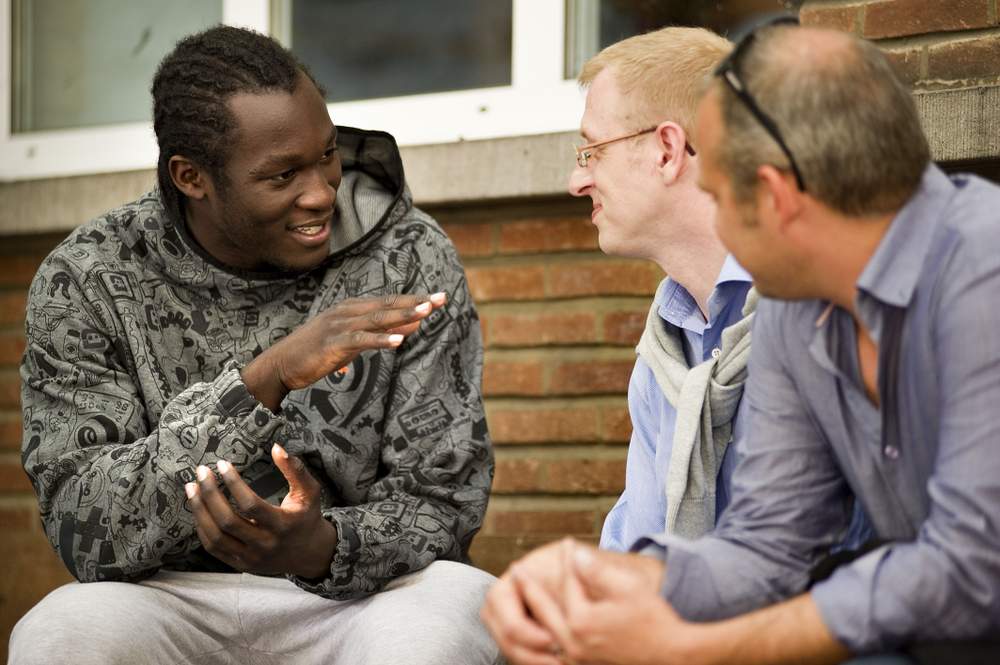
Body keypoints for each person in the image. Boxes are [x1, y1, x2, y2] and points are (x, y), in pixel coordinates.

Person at [482, 19, 1000, 665]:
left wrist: (690, 648)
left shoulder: (983, 272)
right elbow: (770, 545)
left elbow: (973, 572)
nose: (719, 227)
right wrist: (613, 576)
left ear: (777, 198)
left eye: (719, 197)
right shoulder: (792, 304)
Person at [11, 25, 498, 665]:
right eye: (281, 175)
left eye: (327, 155)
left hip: (364, 599)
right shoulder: (91, 276)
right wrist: (264, 379)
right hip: (167, 597)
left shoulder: (406, 255)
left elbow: (445, 497)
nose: (322, 191)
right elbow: (85, 528)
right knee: (60, 634)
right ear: (192, 177)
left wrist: (320, 547)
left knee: (445, 621)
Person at [568, 26, 757, 550]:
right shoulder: (665, 347)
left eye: (592, 151)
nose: (576, 181)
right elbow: (636, 545)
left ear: (667, 150)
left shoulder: (814, 312)